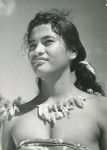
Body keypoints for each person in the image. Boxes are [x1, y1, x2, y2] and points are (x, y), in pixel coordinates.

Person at [1, 8, 107, 150]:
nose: (37, 51)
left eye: (48, 41)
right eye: (32, 45)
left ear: (73, 51)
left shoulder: (101, 109)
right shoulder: (14, 118)